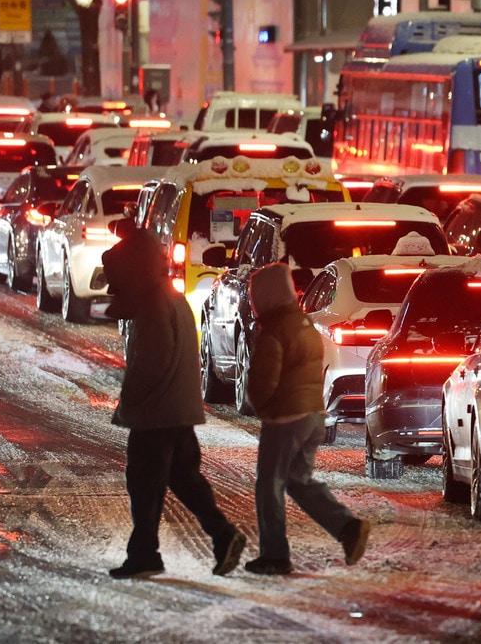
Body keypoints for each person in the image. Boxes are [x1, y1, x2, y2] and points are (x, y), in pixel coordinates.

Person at [102, 227, 246, 579]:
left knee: (144, 483)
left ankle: (144, 554)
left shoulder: (154, 304)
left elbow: (151, 361)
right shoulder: (171, 297)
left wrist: (130, 401)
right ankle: (222, 534)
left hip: (156, 413)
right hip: (177, 407)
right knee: (184, 479)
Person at [245, 262, 371, 575]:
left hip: (285, 418)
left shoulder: (275, 330)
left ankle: (275, 555)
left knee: (269, 485)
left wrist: (259, 405)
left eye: (254, 295)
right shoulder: (303, 324)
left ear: (267, 295)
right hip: (312, 414)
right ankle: (348, 527)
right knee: (298, 480)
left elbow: (263, 381)